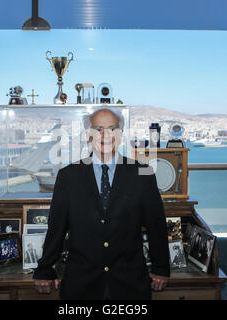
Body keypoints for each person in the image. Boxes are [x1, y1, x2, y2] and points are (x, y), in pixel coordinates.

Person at [33, 108, 170, 300]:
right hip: (81, 284)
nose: (106, 135)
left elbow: (156, 226)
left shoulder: (143, 174)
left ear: (121, 135)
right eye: (98, 129)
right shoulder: (68, 177)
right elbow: (56, 229)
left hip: (130, 284)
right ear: (88, 135)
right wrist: (45, 269)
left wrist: (161, 268)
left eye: (113, 128)